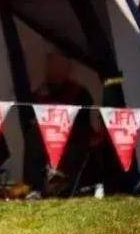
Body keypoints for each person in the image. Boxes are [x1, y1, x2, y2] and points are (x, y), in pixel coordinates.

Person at [24, 51, 94, 199]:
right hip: (45, 139)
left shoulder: (79, 93)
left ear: (66, 68)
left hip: (71, 139)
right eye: (50, 66)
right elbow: (32, 117)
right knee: (33, 136)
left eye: (57, 66)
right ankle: (35, 187)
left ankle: (62, 183)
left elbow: (82, 125)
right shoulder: (39, 94)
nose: (52, 70)